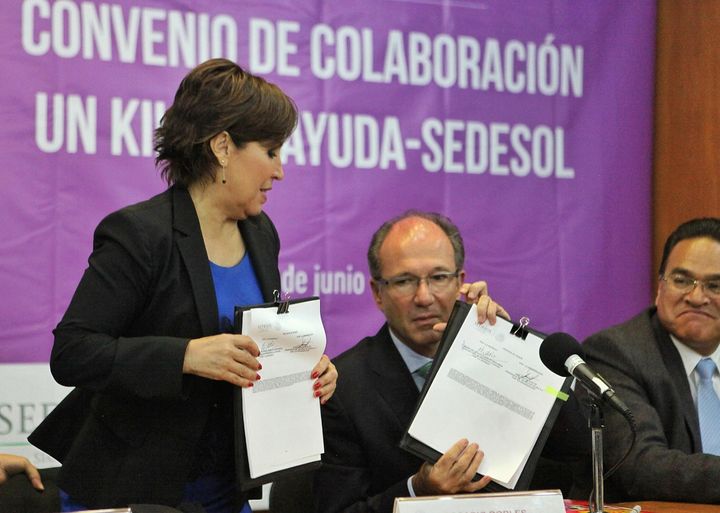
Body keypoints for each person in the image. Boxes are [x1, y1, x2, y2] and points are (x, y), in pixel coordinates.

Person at [28, 59, 337, 513]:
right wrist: (186, 356)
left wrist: (303, 366)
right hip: (131, 487)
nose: (280, 171)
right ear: (223, 147)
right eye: (271, 152)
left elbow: (254, 345)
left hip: (226, 484)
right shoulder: (140, 234)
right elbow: (73, 352)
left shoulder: (261, 233)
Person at [315, 211, 587, 513]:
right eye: (404, 281)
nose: (424, 297)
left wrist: (510, 355)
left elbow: (578, 449)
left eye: (439, 278)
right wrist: (417, 490)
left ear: (460, 282)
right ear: (378, 293)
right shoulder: (343, 388)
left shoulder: (499, 358)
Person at [577, 217, 720, 503]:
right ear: (660, 287)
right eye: (682, 281)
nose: (696, 297)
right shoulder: (615, 353)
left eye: (714, 285)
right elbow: (643, 466)